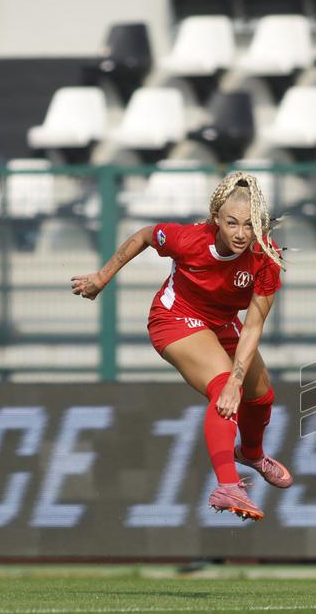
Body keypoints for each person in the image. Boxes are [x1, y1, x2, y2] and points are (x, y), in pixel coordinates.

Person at [70, 171, 292, 522]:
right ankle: (228, 485)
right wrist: (101, 277)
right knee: (224, 387)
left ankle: (251, 454)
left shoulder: (266, 256)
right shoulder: (189, 240)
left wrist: (240, 380)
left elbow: (253, 325)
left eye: (249, 225)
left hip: (222, 323)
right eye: (232, 223)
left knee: (261, 395)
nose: (240, 233)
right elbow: (145, 235)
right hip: (175, 318)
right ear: (216, 218)